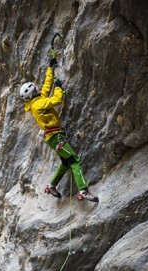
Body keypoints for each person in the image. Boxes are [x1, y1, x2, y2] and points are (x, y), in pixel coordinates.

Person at [20, 56, 99, 202]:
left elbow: (45, 86)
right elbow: (56, 100)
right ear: (32, 93)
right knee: (74, 161)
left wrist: (51, 68)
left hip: (53, 137)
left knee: (65, 163)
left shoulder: (37, 100)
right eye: (34, 87)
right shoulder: (38, 105)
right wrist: (58, 88)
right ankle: (83, 191)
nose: (38, 87)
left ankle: (51, 186)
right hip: (56, 136)